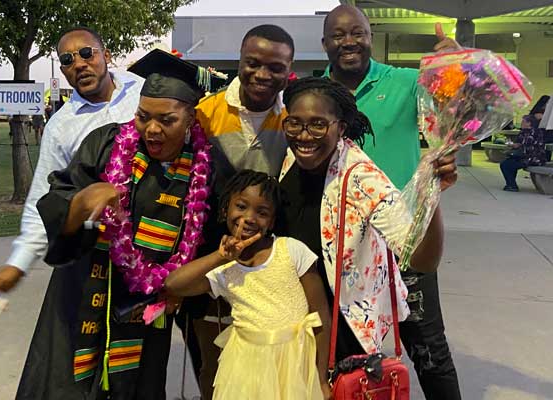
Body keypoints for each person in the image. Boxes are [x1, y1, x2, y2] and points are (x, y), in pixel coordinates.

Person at [16, 49, 215, 399]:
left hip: (148, 311)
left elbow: (211, 241)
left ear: (189, 120)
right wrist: (81, 202)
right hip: (83, 295)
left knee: (137, 386)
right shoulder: (107, 142)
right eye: (142, 116)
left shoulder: (207, 168)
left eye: (166, 120)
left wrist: (185, 287)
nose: (151, 130)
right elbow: (56, 199)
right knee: (68, 385)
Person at [277, 77, 457, 389]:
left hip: (342, 330)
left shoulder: (362, 178)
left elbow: (421, 259)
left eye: (318, 125)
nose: (304, 135)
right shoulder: (292, 156)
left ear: (341, 127)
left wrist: (433, 197)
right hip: (296, 316)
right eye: (295, 123)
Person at [321, 5, 463, 399]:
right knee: (349, 356)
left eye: (357, 33)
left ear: (369, 36)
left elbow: (450, 104)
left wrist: (452, 65)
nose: (348, 41)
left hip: (403, 240)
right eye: (338, 34)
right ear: (324, 43)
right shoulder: (316, 96)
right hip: (343, 249)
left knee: (428, 350)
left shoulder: (403, 81)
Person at [0, 27, 144, 297]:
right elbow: (43, 200)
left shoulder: (141, 90)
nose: (79, 64)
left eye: (86, 53)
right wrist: (18, 264)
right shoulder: (61, 127)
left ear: (106, 55)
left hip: (159, 237)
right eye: (67, 60)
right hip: (102, 252)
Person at [192, 24, 295, 399]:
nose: (263, 75)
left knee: (266, 360)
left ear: (289, 68)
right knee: (212, 363)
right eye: (252, 63)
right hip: (213, 254)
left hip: (269, 261)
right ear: (239, 60)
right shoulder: (206, 113)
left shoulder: (292, 120)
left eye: (275, 68)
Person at [165, 170, 332, 400]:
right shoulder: (223, 269)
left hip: (294, 366)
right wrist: (220, 256)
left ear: (272, 220)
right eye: (241, 207)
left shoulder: (291, 250)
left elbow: (321, 313)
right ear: (225, 210)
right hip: (245, 371)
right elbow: (174, 284)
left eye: (262, 212)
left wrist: (321, 378)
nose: (250, 218)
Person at [500, 113, 547, 192]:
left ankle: (512, 185)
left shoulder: (535, 132)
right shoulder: (523, 132)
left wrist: (517, 146)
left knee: (507, 165)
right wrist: (513, 146)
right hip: (524, 156)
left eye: (523, 121)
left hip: (534, 158)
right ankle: (511, 184)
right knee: (507, 162)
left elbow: (528, 146)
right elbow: (520, 143)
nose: (521, 123)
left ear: (529, 123)